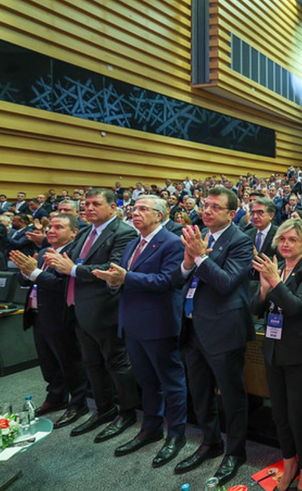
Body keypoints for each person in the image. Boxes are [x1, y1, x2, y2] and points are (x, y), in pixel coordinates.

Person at [91, 196, 188, 467]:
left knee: (171, 382)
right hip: (132, 323)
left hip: (158, 324)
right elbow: (123, 280)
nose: (136, 213)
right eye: (134, 209)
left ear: (160, 214)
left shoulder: (171, 242)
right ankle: (151, 426)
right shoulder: (133, 243)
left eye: (143, 209)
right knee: (146, 381)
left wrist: (126, 278)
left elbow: (169, 281)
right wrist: (113, 282)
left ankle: (176, 434)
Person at [171, 187, 254, 486]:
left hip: (223, 330)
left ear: (232, 214)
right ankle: (210, 441)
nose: (206, 211)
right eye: (205, 205)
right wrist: (188, 262)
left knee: (231, 397)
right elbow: (177, 279)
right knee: (201, 392)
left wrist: (200, 257)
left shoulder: (241, 241)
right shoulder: (199, 238)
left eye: (215, 207)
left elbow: (226, 282)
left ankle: (236, 451)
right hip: (193, 327)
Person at [43, 188, 140, 442]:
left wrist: (74, 268)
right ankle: (104, 408)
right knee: (91, 363)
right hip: (80, 308)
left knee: (116, 362)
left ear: (112, 208)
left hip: (106, 309)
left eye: (96, 203)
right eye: (86, 204)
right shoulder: (85, 231)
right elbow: (68, 261)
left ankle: (127, 411)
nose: (89, 208)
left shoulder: (123, 232)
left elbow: (113, 267)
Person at [251, 219, 302, 491]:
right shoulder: (278, 267)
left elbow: (296, 307)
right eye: (282, 239)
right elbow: (257, 308)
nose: (285, 244)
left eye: (292, 240)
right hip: (275, 349)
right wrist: (263, 288)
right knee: (279, 414)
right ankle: (289, 461)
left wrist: (274, 281)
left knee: (298, 414)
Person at [10, 214, 88, 427]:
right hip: (38, 313)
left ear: (74, 232)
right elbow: (24, 280)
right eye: (50, 227)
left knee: (69, 361)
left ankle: (78, 403)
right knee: (48, 361)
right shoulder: (44, 251)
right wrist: (25, 271)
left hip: (60, 315)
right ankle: (56, 397)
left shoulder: (75, 254)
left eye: (58, 227)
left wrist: (33, 271)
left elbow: (60, 285)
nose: (51, 231)